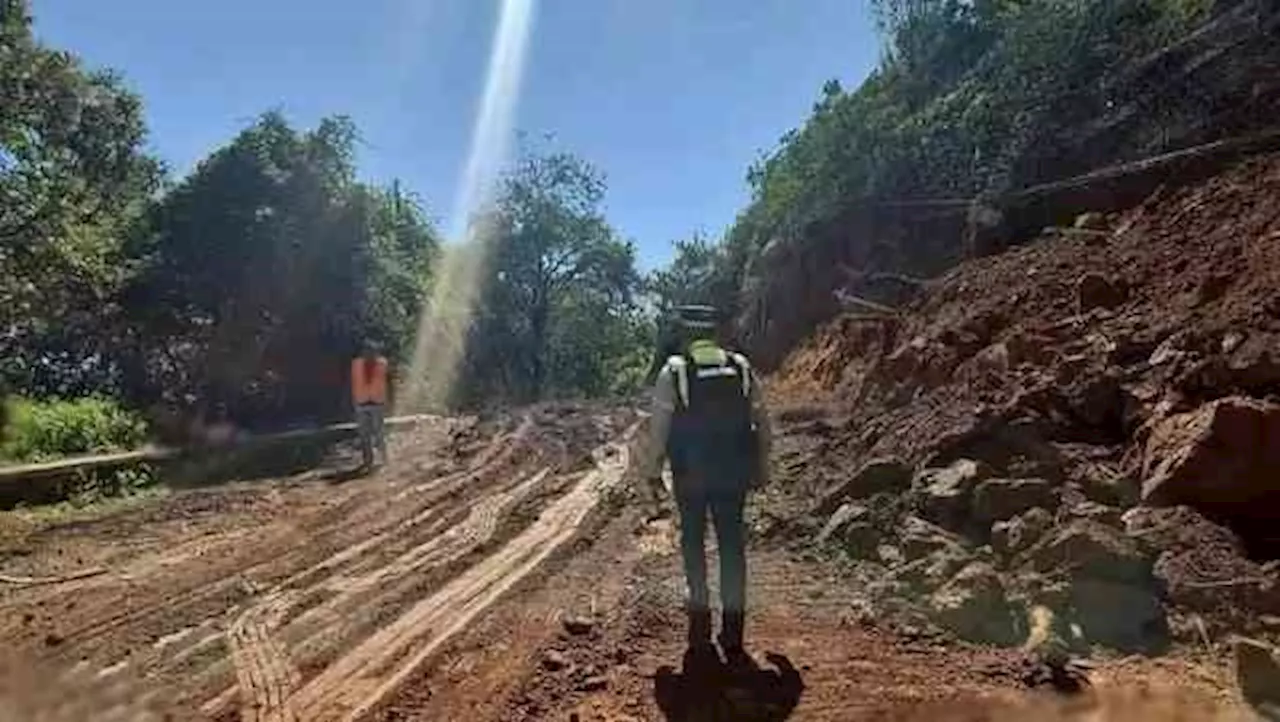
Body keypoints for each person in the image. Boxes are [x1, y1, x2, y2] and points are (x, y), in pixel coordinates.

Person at [640, 304, 772, 662]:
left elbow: (658, 430)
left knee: (693, 544)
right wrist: (763, 466)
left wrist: (652, 471)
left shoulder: (675, 372)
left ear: (685, 336)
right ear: (715, 334)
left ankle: (699, 628)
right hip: (734, 474)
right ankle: (733, 633)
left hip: (690, 476)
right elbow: (762, 422)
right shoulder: (741, 367)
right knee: (732, 548)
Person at [350, 341, 390, 469]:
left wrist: (388, 400)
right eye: (367, 351)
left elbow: (388, 381)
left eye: (372, 351)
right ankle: (368, 460)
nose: (370, 354)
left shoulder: (382, 363)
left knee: (379, 433)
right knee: (364, 434)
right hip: (361, 403)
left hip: (377, 403)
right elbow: (352, 382)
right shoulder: (356, 364)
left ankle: (384, 458)